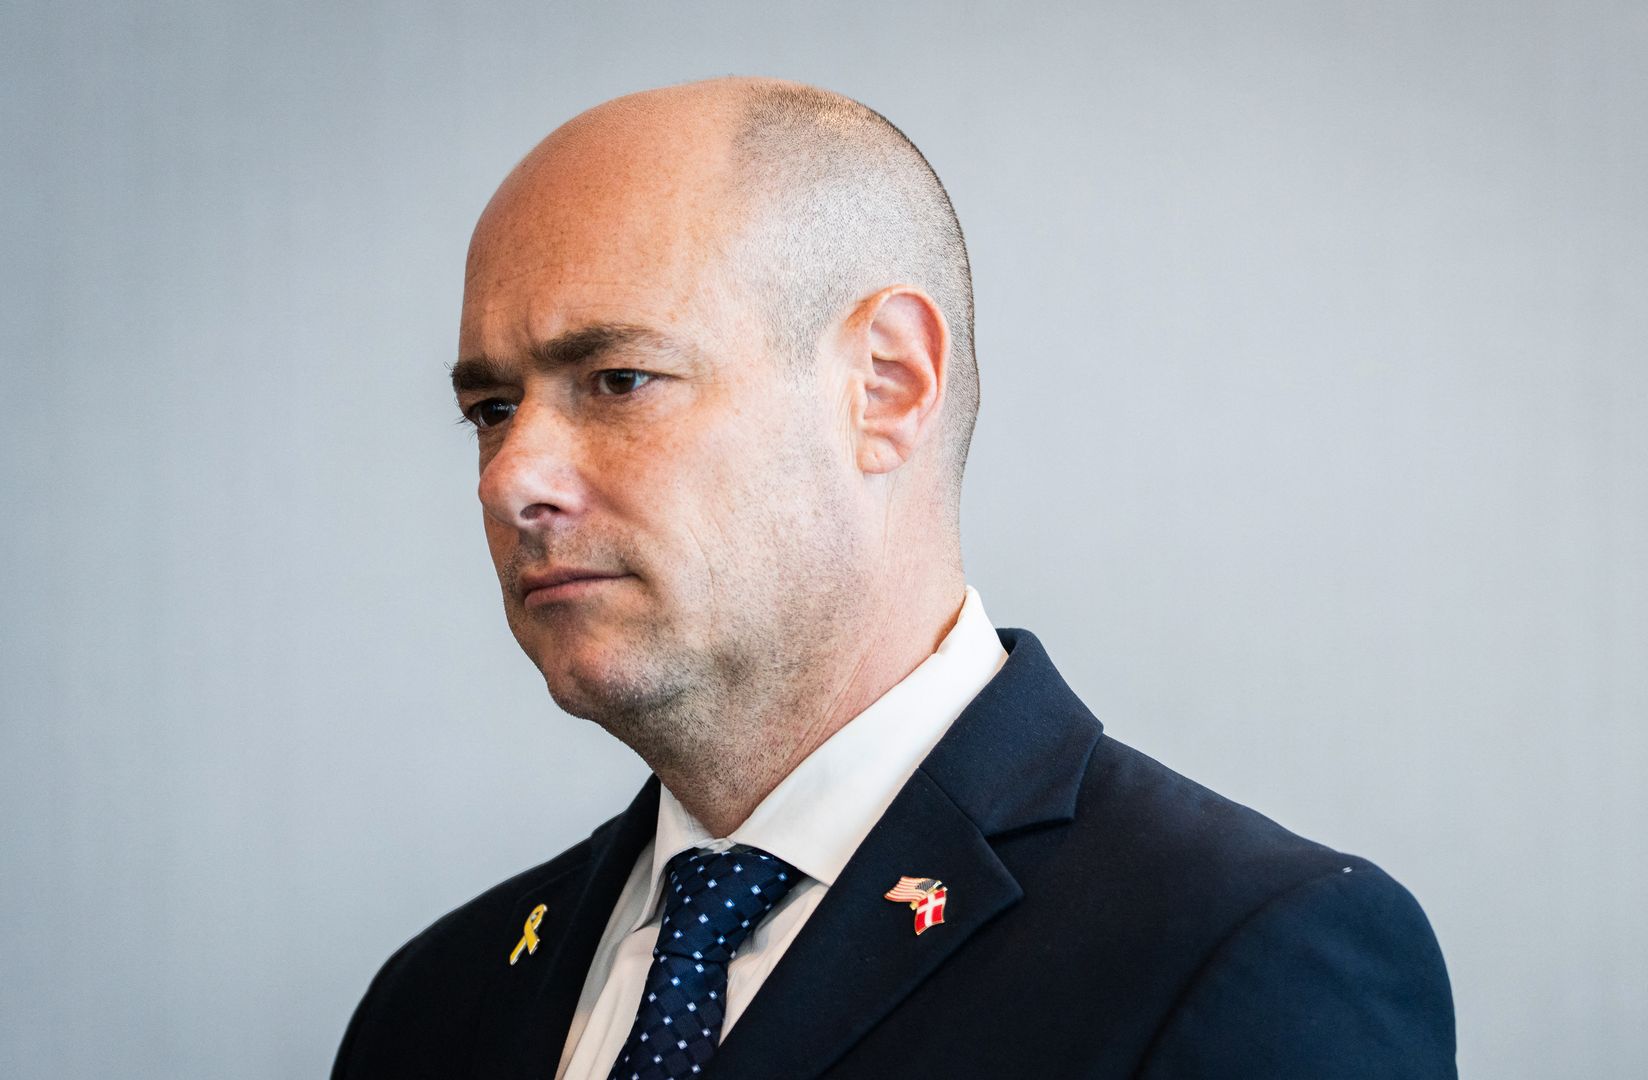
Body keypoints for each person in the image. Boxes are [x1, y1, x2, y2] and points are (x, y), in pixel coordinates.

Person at [332, 77, 1456, 1080]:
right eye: (490, 410)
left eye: (618, 380)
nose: (511, 477)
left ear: (886, 386)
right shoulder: (435, 1001)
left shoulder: (1236, 955)